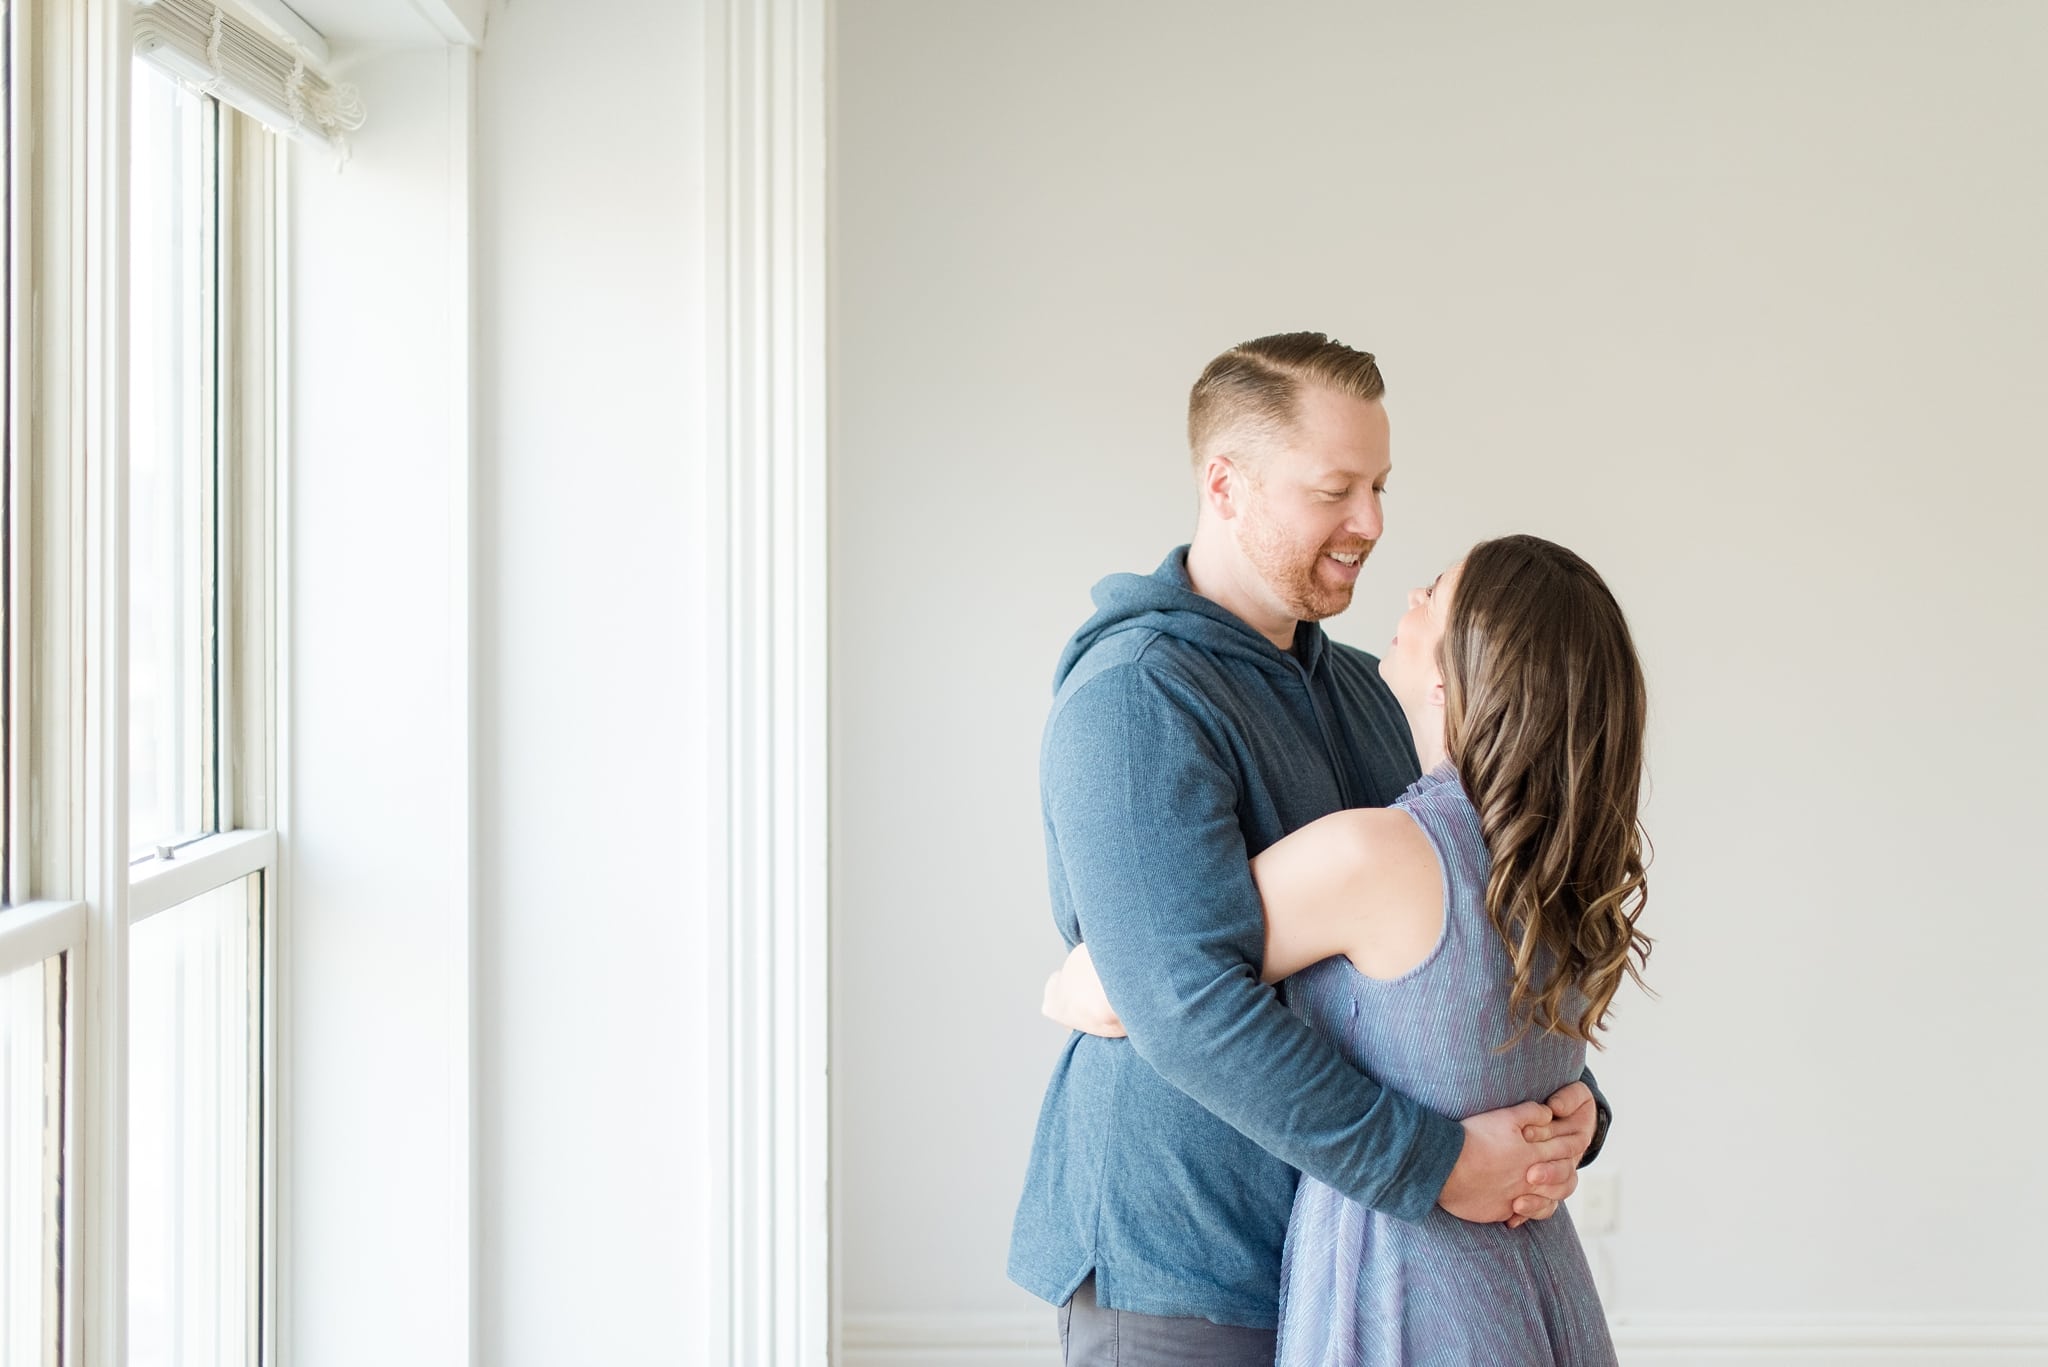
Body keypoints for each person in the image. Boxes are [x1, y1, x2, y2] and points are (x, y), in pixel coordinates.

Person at [1008, 333, 1611, 1366]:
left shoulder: (1370, 695)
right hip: (1187, 1265)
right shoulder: (1137, 695)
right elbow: (1186, 1003)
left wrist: (1562, 1110)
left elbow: (1452, 944)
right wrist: (1434, 1161)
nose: (1370, 522)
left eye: (1378, 485)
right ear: (1224, 485)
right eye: (1335, 488)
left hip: (1352, 1254)